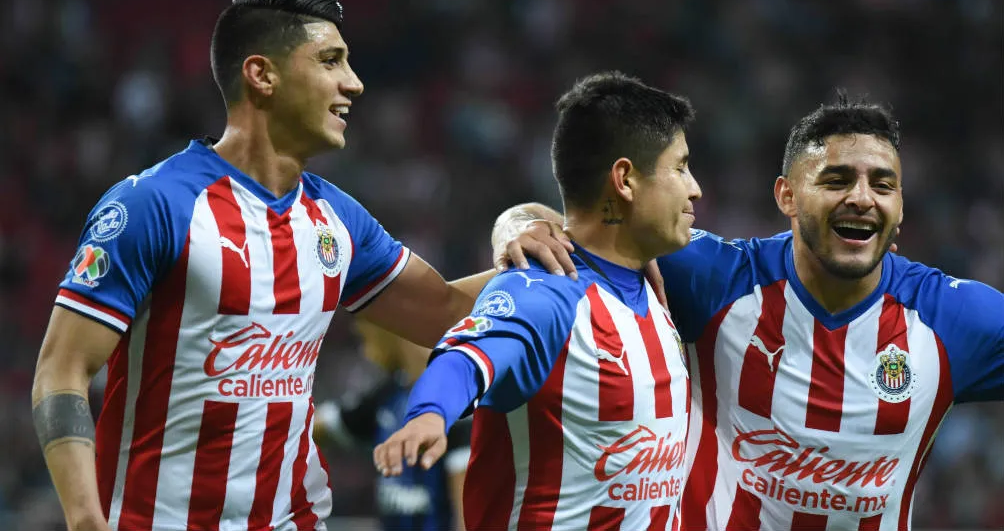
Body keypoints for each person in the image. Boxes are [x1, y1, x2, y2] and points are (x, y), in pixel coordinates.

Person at [29, 0, 572, 531]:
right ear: (262, 75)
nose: (354, 84)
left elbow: (446, 314)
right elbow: (61, 371)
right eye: (331, 61)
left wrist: (516, 225)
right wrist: (85, 520)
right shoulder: (155, 205)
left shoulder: (337, 220)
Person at [504, 95, 1004, 530]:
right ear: (786, 195)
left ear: (899, 207)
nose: (861, 198)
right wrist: (516, 226)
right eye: (836, 180)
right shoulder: (714, 278)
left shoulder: (953, 319)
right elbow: (587, 223)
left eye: (882, 184)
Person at [374, 71, 702, 530]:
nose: (695, 189)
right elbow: (466, 359)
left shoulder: (653, 280)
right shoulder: (547, 290)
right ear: (624, 179)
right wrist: (428, 414)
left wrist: (518, 219)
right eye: (681, 167)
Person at [313, 318, 471, 531]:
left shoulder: (456, 404)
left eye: (364, 333)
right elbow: (316, 428)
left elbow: (468, 518)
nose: (364, 349)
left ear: (389, 328)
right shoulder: (388, 395)